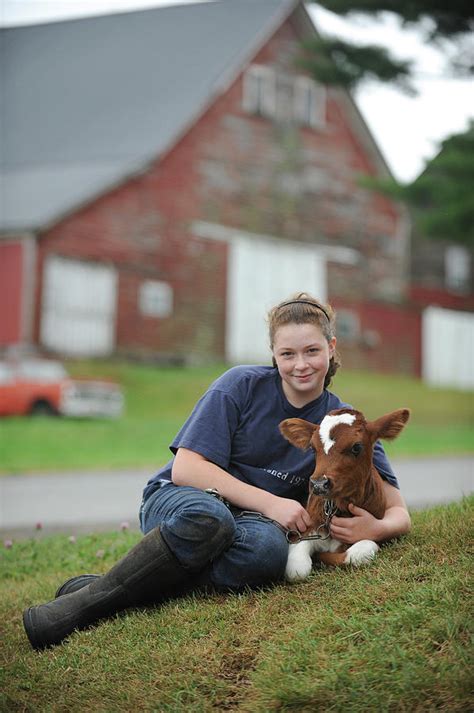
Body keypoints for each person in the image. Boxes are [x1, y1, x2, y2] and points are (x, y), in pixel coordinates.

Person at [23, 293, 411, 649]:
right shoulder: (239, 386)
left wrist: (378, 529)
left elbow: (398, 509)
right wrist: (272, 504)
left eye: (312, 350)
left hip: (251, 524)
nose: (301, 364)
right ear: (273, 354)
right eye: (287, 353)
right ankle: (79, 609)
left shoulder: (341, 425)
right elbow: (186, 468)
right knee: (210, 519)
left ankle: (105, 587)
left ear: (331, 347)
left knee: (268, 553)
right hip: (185, 502)